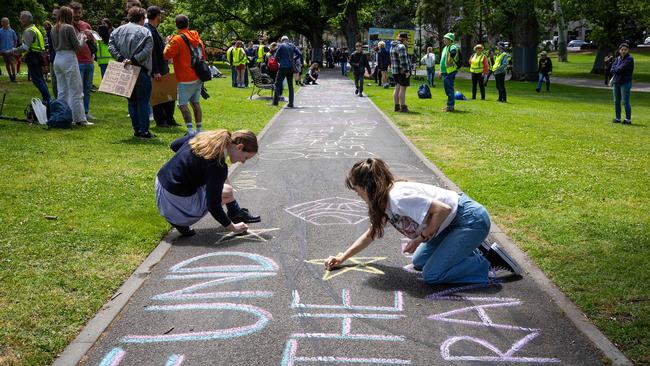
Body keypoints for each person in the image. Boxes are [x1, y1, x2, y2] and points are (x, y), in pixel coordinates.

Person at [324, 158, 519, 284]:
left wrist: (421, 238)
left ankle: (484, 262)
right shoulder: (384, 200)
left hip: (469, 220)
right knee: (419, 261)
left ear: (368, 187)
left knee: (432, 275)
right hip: (450, 226)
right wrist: (343, 258)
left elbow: (443, 210)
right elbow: (370, 235)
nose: (357, 194)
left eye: (357, 189)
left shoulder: (397, 198)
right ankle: (470, 248)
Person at [156, 129, 261, 237]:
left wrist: (188, 165)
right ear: (239, 147)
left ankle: (235, 212)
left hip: (161, 186)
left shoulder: (204, 136)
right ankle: (179, 220)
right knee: (227, 191)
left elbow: (174, 145)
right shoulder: (217, 165)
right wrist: (233, 228)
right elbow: (213, 206)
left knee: (221, 181)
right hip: (174, 203)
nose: (243, 162)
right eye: (246, 157)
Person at [108, 6, 154, 138]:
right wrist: (134, 59)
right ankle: (144, 131)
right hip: (141, 69)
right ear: (141, 18)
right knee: (143, 102)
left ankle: (137, 129)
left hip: (125, 69)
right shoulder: (145, 32)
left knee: (131, 101)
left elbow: (111, 46)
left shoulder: (117, 31)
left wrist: (121, 58)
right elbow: (148, 49)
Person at [164, 14, 206, 135]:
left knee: (182, 104)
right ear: (188, 24)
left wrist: (168, 42)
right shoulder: (198, 39)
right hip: (198, 76)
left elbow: (166, 55)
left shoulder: (177, 39)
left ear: (176, 25)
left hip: (184, 77)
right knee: (195, 103)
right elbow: (203, 56)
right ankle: (199, 129)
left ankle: (190, 131)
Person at [51, 6, 89, 125]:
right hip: (68, 58)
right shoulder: (69, 27)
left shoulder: (53, 28)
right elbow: (77, 47)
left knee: (62, 90)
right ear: (69, 16)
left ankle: (63, 115)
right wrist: (82, 38)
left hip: (58, 58)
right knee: (76, 89)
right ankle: (80, 118)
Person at [146, 6, 178, 128]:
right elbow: (152, 53)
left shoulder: (154, 29)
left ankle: (169, 118)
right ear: (157, 16)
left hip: (163, 68)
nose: (161, 17)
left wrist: (166, 42)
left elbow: (159, 49)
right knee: (159, 96)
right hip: (157, 69)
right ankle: (161, 120)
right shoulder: (149, 30)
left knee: (168, 95)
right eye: (160, 15)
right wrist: (155, 71)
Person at [13, 11, 51, 106]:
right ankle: (47, 98)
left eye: (21, 18)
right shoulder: (35, 29)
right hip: (37, 56)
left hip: (33, 57)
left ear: (27, 19)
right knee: (40, 79)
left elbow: (25, 47)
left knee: (37, 79)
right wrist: (24, 55)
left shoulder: (29, 31)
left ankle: (47, 99)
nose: (20, 20)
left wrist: (14, 50)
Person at [69, 2, 96, 121]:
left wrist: (91, 38)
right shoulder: (67, 27)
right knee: (77, 89)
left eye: (79, 12)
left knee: (87, 88)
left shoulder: (86, 25)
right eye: (75, 12)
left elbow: (93, 42)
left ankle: (85, 111)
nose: (77, 15)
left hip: (89, 61)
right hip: (76, 61)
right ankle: (76, 113)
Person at [272, 36, 301, 108]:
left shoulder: (280, 46)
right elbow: (299, 54)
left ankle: (275, 102)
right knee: (290, 85)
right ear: (288, 40)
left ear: (282, 40)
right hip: (290, 68)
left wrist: (280, 61)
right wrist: (294, 59)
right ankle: (291, 103)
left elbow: (276, 57)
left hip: (283, 67)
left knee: (277, 84)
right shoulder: (292, 45)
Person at [610, 43, 634, 125]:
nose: (623, 51)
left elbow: (620, 69)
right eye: (622, 49)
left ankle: (628, 119)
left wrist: (615, 70)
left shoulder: (629, 59)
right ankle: (618, 118)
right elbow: (612, 69)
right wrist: (615, 69)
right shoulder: (618, 58)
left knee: (625, 101)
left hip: (625, 82)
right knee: (616, 101)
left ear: (628, 50)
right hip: (617, 82)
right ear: (619, 50)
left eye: (625, 50)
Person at [390, 32, 411, 113]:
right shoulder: (401, 47)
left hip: (395, 71)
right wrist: (407, 71)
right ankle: (403, 107)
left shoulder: (393, 46)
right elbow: (403, 60)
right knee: (403, 90)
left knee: (397, 88)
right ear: (404, 39)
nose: (407, 42)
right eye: (407, 40)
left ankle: (396, 106)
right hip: (402, 71)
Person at [439, 33, 459, 112]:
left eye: (446, 39)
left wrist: (450, 60)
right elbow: (442, 60)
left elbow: (453, 52)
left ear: (450, 40)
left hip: (450, 72)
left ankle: (450, 106)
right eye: (444, 38)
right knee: (447, 89)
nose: (444, 40)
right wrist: (440, 71)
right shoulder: (445, 47)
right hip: (445, 71)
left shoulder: (452, 46)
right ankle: (449, 105)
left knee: (449, 89)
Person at [0, 18, 18, 82]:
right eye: (2, 22)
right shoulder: (0, 31)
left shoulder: (12, 31)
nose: (2, 23)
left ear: (7, 23)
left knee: (12, 63)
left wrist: (14, 48)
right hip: (3, 50)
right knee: (7, 64)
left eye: (3, 22)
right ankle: (10, 76)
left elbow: (15, 39)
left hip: (11, 50)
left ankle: (14, 77)